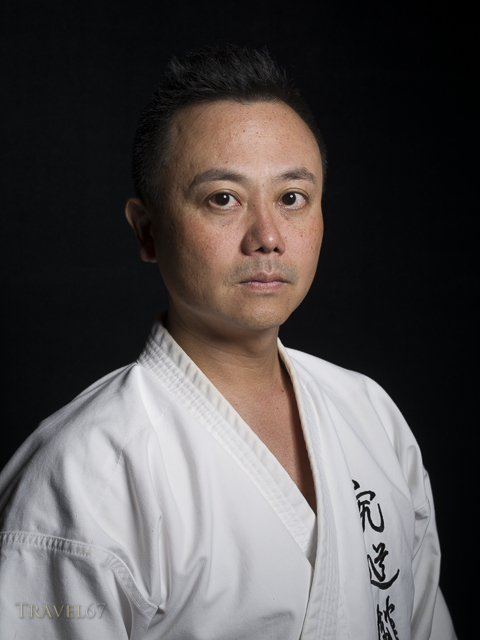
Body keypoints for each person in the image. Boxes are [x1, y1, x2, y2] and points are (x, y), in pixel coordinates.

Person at [0, 45, 456, 640]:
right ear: (147, 230)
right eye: (223, 198)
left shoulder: (369, 414)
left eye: (292, 198)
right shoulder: (86, 473)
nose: (267, 236)